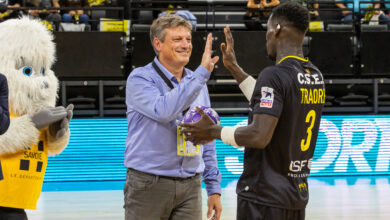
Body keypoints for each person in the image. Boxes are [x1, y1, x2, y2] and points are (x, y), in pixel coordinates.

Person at [181, 2, 325, 220]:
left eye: (267, 30)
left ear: (276, 30)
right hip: (295, 194)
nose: (266, 37)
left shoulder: (274, 74)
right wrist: (234, 68)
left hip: (263, 196)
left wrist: (212, 131)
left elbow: (259, 135)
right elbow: (273, 105)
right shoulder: (314, 75)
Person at [124, 14, 222, 220]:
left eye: (188, 39)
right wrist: (201, 73)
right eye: (177, 39)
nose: (186, 45)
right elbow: (164, 111)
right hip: (149, 184)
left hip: (191, 185)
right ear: (158, 44)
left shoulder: (198, 83)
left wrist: (213, 187)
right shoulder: (140, 78)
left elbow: (208, 136)